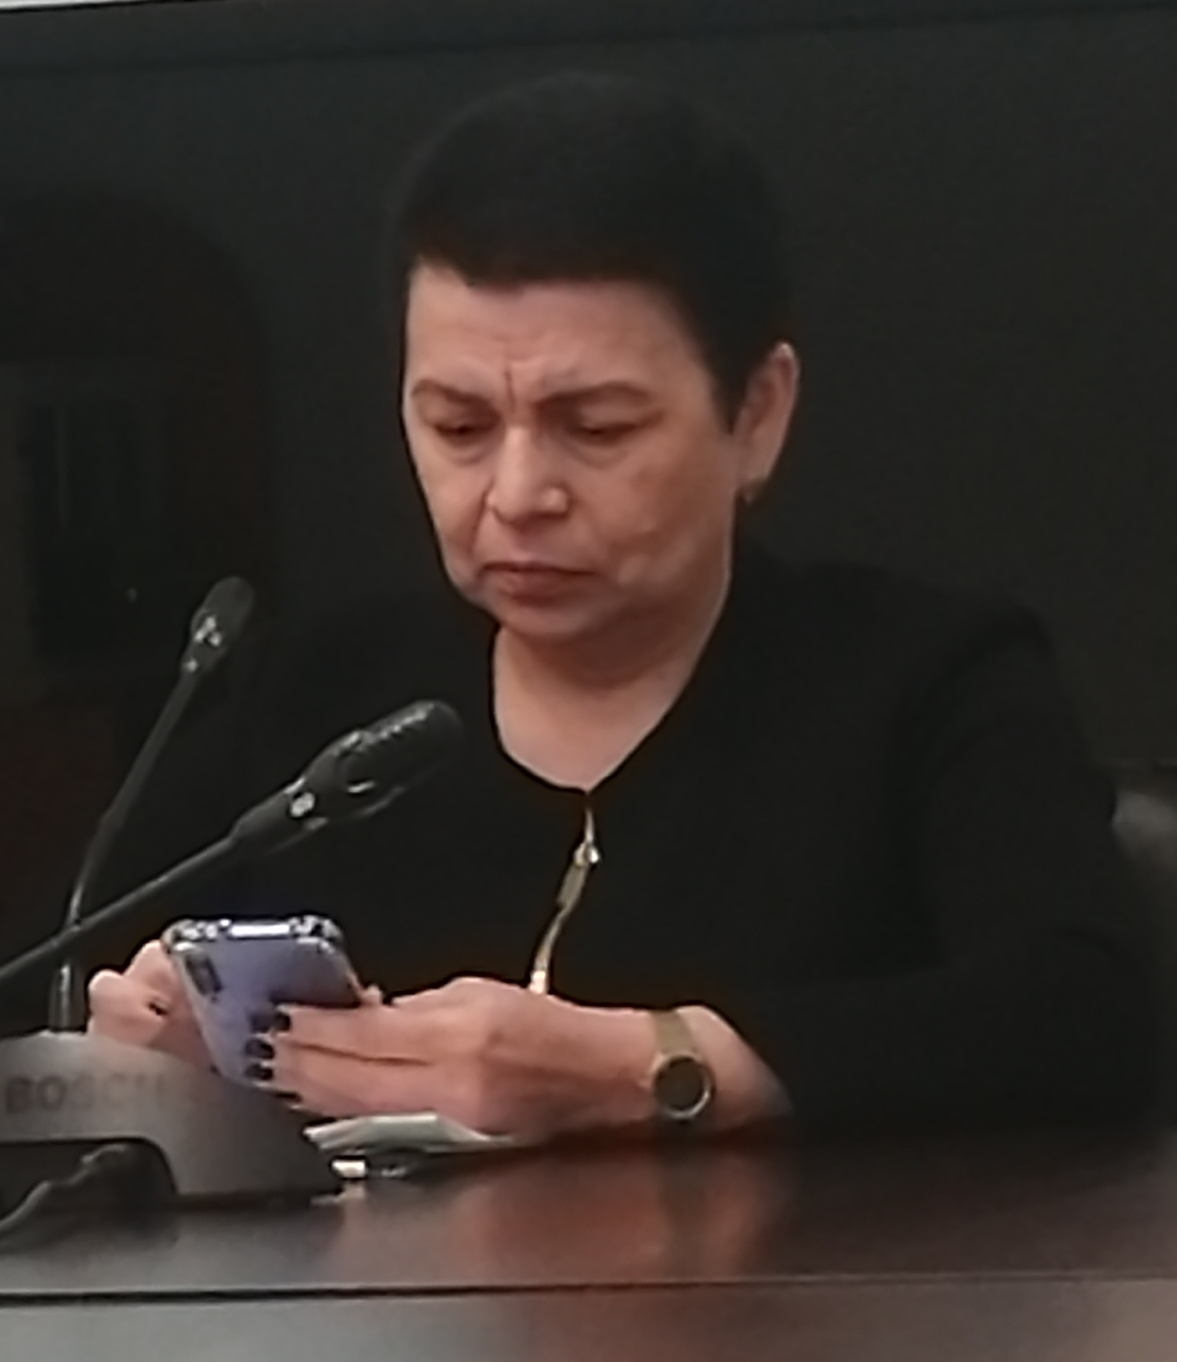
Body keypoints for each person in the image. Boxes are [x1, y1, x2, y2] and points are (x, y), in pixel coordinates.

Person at [86, 72, 1153, 1143]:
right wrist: (127, 1046)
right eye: (459, 427)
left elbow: (1086, 1015)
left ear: (757, 413)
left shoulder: (927, 681)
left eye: (595, 427)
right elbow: (20, 991)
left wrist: (651, 1065)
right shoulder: (311, 707)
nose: (516, 495)